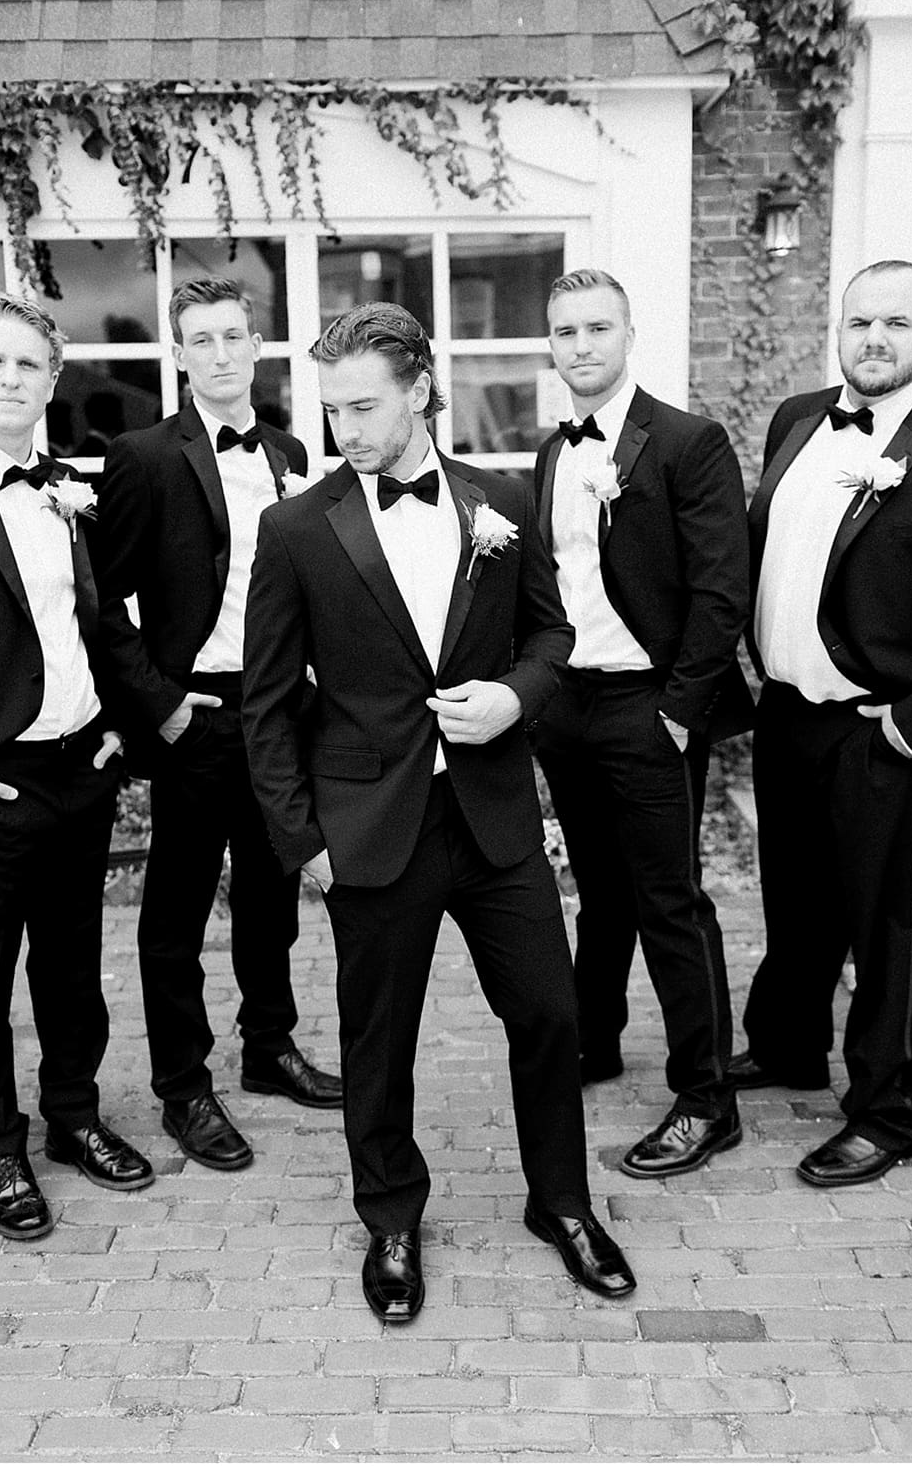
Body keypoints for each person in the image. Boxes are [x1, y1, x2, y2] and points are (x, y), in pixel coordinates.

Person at [241, 302, 632, 1323]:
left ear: (418, 389)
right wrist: (303, 844)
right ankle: (391, 1218)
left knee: (549, 1014)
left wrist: (514, 697)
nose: (348, 431)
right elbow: (268, 703)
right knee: (380, 1037)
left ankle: (563, 1205)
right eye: (333, 412)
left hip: (494, 818)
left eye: (365, 406)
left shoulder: (497, 501)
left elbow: (551, 639)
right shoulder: (294, 529)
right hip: (368, 829)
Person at [95, 277, 342, 1177]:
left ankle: (268, 1049)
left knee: (272, 897)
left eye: (235, 336)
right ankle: (183, 1087)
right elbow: (101, 598)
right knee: (176, 912)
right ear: (182, 355)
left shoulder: (292, 450)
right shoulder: (145, 455)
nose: (222, 353)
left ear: (259, 347)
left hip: (280, 711)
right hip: (195, 713)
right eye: (202, 340)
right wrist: (156, 703)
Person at [528, 269, 752, 1178]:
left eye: (596, 328)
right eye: (565, 331)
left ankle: (707, 1097)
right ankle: (596, 1040)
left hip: (646, 705)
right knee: (599, 892)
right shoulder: (550, 451)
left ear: (628, 334)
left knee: (670, 902)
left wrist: (676, 712)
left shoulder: (688, 442)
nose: (580, 345)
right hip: (567, 704)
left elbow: (720, 587)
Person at [0, 292, 150, 1239]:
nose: (12, 379)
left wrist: (118, 734)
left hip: (80, 768)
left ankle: (73, 1117)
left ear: (55, 381)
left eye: (30, 365)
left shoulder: (72, 487)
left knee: (73, 969)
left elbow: (94, 621)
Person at [733, 260, 912, 1187]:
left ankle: (889, 1111)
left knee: (883, 924)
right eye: (859, 323)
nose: (875, 341)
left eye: (896, 323)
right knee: (796, 895)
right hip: (787, 710)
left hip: (874, 724)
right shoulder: (798, 418)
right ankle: (786, 1046)